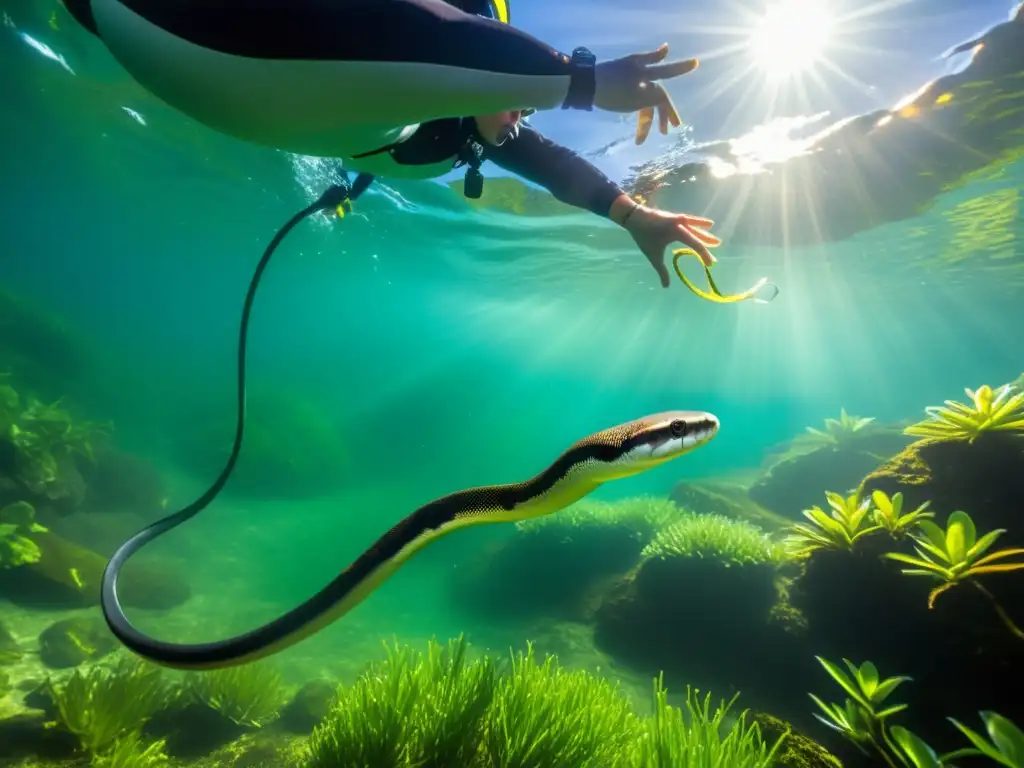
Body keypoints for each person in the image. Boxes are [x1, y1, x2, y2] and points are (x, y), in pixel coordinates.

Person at [62, 0, 721, 284]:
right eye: (513, 92)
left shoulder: (485, 134)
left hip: (230, 77)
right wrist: (583, 80)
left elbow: (549, 162)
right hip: (214, 54)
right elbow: (422, 32)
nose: (521, 114)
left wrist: (635, 217)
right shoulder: (437, 74)